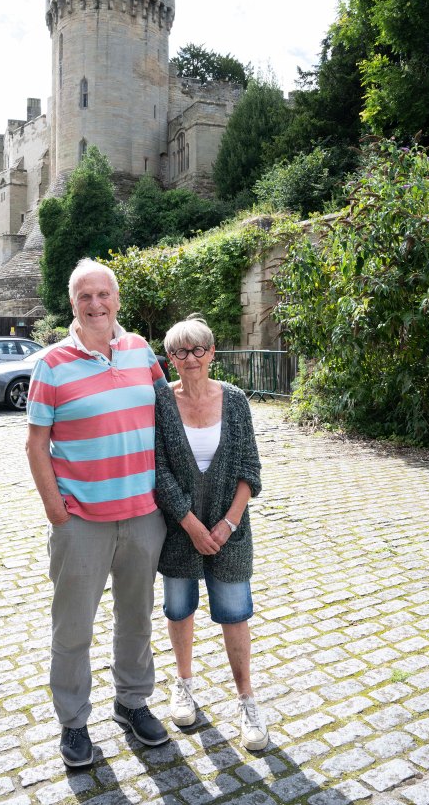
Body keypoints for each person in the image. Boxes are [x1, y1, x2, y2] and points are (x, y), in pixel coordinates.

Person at [25, 258, 169, 768]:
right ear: (73, 305)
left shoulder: (140, 352)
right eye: (85, 296)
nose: (95, 304)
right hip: (81, 520)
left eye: (103, 294)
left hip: (143, 514)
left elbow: (166, 414)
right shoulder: (52, 363)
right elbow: (36, 443)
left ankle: (132, 703)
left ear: (117, 300)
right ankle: (74, 723)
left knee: (136, 619)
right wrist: (55, 511)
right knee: (73, 628)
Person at [154, 315, 268, 750]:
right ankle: (183, 684)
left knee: (235, 613)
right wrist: (191, 524)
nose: (191, 358)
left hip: (231, 532)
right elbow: (159, 470)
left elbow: (250, 469)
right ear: (170, 358)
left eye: (199, 349)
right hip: (179, 531)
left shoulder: (235, 400)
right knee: (179, 608)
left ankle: (246, 699)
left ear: (213, 353)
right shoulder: (161, 401)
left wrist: (227, 523)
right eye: (181, 351)